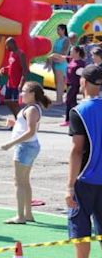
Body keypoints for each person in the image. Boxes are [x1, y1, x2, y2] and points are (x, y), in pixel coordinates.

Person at [1, 81, 51, 224]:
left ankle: (20, 216)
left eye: (24, 91)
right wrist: (14, 124)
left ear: (32, 94)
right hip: (29, 146)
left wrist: (10, 143)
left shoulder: (32, 110)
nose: (21, 94)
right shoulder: (31, 109)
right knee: (24, 181)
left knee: (19, 182)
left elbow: (31, 131)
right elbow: (29, 128)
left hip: (25, 147)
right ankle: (28, 214)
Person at [66, 65, 102, 258]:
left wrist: (69, 186)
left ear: (84, 82)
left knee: (80, 230)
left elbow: (77, 150)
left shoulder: (79, 111)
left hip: (85, 180)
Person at [0, 37, 28, 119]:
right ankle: (17, 117)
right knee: (7, 101)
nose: (6, 47)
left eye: (7, 45)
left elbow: (25, 70)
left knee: (16, 103)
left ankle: (20, 119)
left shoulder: (21, 54)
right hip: (10, 82)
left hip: (17, 83)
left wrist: (21, 84)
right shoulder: (11, 53)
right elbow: (12, 66)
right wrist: (4, 69)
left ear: (12, 44)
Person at [61, 46, 85, 126]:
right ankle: (75, 119)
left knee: (68, 101)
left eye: (72, 51)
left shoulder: (81, 64)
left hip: (74, 85)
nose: (70, 53)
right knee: (72, 102)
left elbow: (81, 76)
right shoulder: (71, 59)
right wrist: (52, 56)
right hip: (68, 83)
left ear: (77, 53)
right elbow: (62, 57)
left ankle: (68, 119)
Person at [49, 24, 69, 105]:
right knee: (57, 81)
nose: (57, 31)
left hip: (61, 62)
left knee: (60, 82)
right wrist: (52, 58)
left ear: (63, 30)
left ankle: (59, 100)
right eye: (57, 30)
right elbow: (53, 51)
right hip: (55, 62)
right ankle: (59, 98)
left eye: (59, 29)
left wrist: (54, 56)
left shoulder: (66, 40)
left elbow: (64, 52)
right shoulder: (57, 40)